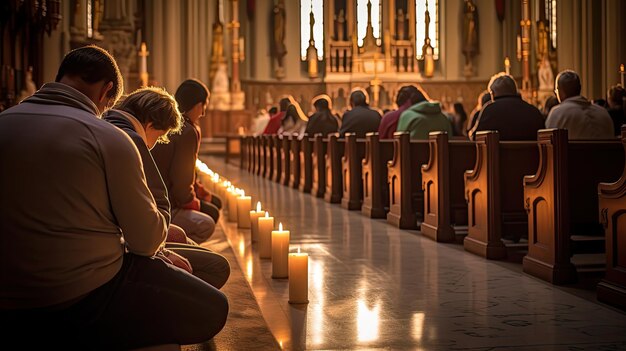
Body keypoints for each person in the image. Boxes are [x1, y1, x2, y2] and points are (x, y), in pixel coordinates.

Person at [0, 45, 228, 349]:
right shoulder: (108, 137)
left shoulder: (5, 121)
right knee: (213, 309)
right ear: (107, 91)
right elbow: (146, 241)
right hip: (83, 295)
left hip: (8, 297)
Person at [103, 86, 231, 289]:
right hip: (118, 252)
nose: (154, 145)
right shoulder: (131, 139)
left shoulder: (107, 124)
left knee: (182, 237)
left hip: (123, 235)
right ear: (151, 124)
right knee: (216, 267)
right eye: (159, 136)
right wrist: (161, 250)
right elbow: (153, 206)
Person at [152, 79, 221, 243]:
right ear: (197, 105)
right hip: (167, 201)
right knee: (210, 216)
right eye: (203, 106)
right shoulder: (187, 129)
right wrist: (191, 201)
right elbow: (181, 177)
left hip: (158, 193)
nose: (203, 113)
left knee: (213, 204)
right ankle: (184, 249)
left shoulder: (167, 122)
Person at [469, 72, 545, 141]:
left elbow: (474, 136)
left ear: (493, 93)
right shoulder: (533, 111)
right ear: (514, 90)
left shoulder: (489, 110)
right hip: (530, 156)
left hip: (497, 156)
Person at [546, 70, 614, 139]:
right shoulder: (603, 112)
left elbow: (549, 144)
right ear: (580, 87)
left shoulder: (557, 113)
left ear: (560, 91)